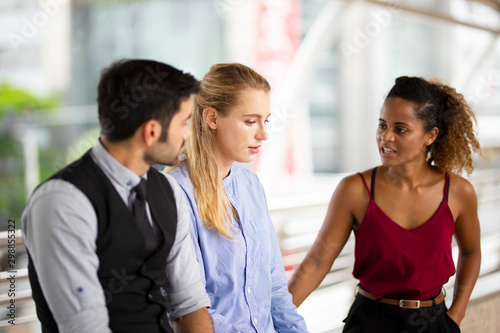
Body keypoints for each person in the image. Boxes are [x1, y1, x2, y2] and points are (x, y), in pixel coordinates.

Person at [21, 59, 214, 333]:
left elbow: (189, 303)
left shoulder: (169, 191)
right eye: (184, 122)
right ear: (151, 132)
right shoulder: (61, 202)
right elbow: (86, 328)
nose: (188, 133)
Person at [288, 76, 481, 333]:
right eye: (382, 125)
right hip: (370, 321)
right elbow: (317, 262)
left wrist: (456, 315)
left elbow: (471, 252)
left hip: (434, 323)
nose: (385, 137)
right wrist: (270, 319)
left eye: (400, 129)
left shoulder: (458, 192)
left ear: (430, 135)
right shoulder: (354, 190)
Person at [169, 63, 308, 333]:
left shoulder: (251, 186)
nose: (263, 133)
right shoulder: (176, 191)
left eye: (265, 121)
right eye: (250, 121)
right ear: (212, 118)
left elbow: (275, 287)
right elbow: (189, 307)